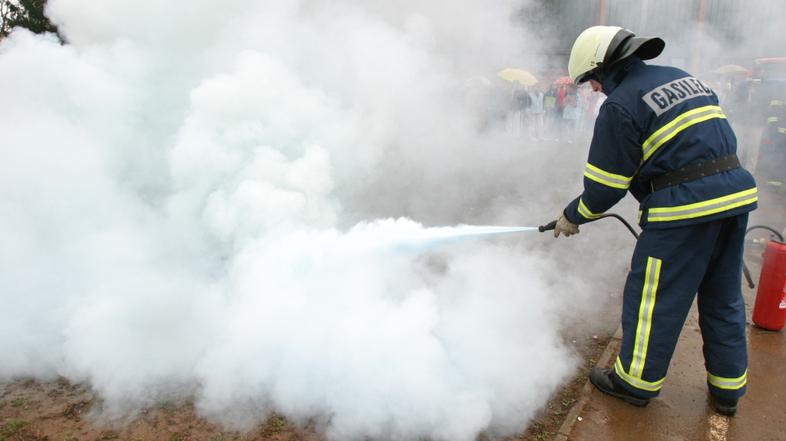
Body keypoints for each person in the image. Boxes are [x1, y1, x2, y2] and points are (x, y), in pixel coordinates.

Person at [553, 26, 758, 416]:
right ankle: (728, 388)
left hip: (684, 208)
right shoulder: (681, 77)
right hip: (735, 198)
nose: (594, 88)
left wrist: (572, 215)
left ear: (606, 66)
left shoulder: (621, 104)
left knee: (654, 298)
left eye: (592, 78)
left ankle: (634, 382)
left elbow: (605, 187)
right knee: (723, 294)